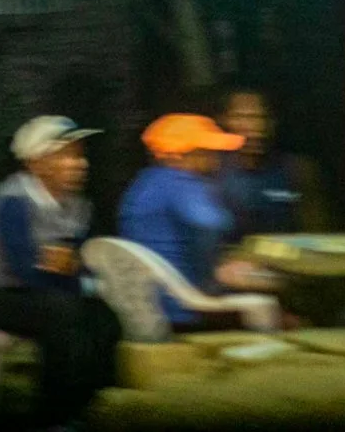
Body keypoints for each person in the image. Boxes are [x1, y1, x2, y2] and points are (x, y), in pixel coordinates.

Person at [0, 116, 122, 431]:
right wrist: (72, 274)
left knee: (105, 318)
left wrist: (75, 274)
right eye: (67, 155)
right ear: (37, 164)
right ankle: (54, 418)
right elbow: (26, 269)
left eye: (80, 154)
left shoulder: (76, 205)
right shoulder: (13, 201)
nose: (80, 163)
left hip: (43, 290)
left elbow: (81, 259)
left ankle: (89, 407)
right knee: (63, 313)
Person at [118, 113, 277, 332]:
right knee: (274, 302)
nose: (215, 159)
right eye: (204, 152)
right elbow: (215, 222)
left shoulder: (144, 182)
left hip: (149, 305)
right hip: (184, 307)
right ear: (176, 156)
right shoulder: (180, 182)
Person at [214, 87, 330, 240]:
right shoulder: (212, 170)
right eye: (242, 117)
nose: (254, 127)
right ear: (224, 121)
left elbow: (319, 234)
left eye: (261, 118)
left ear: (272, 123)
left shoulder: (297, 170)